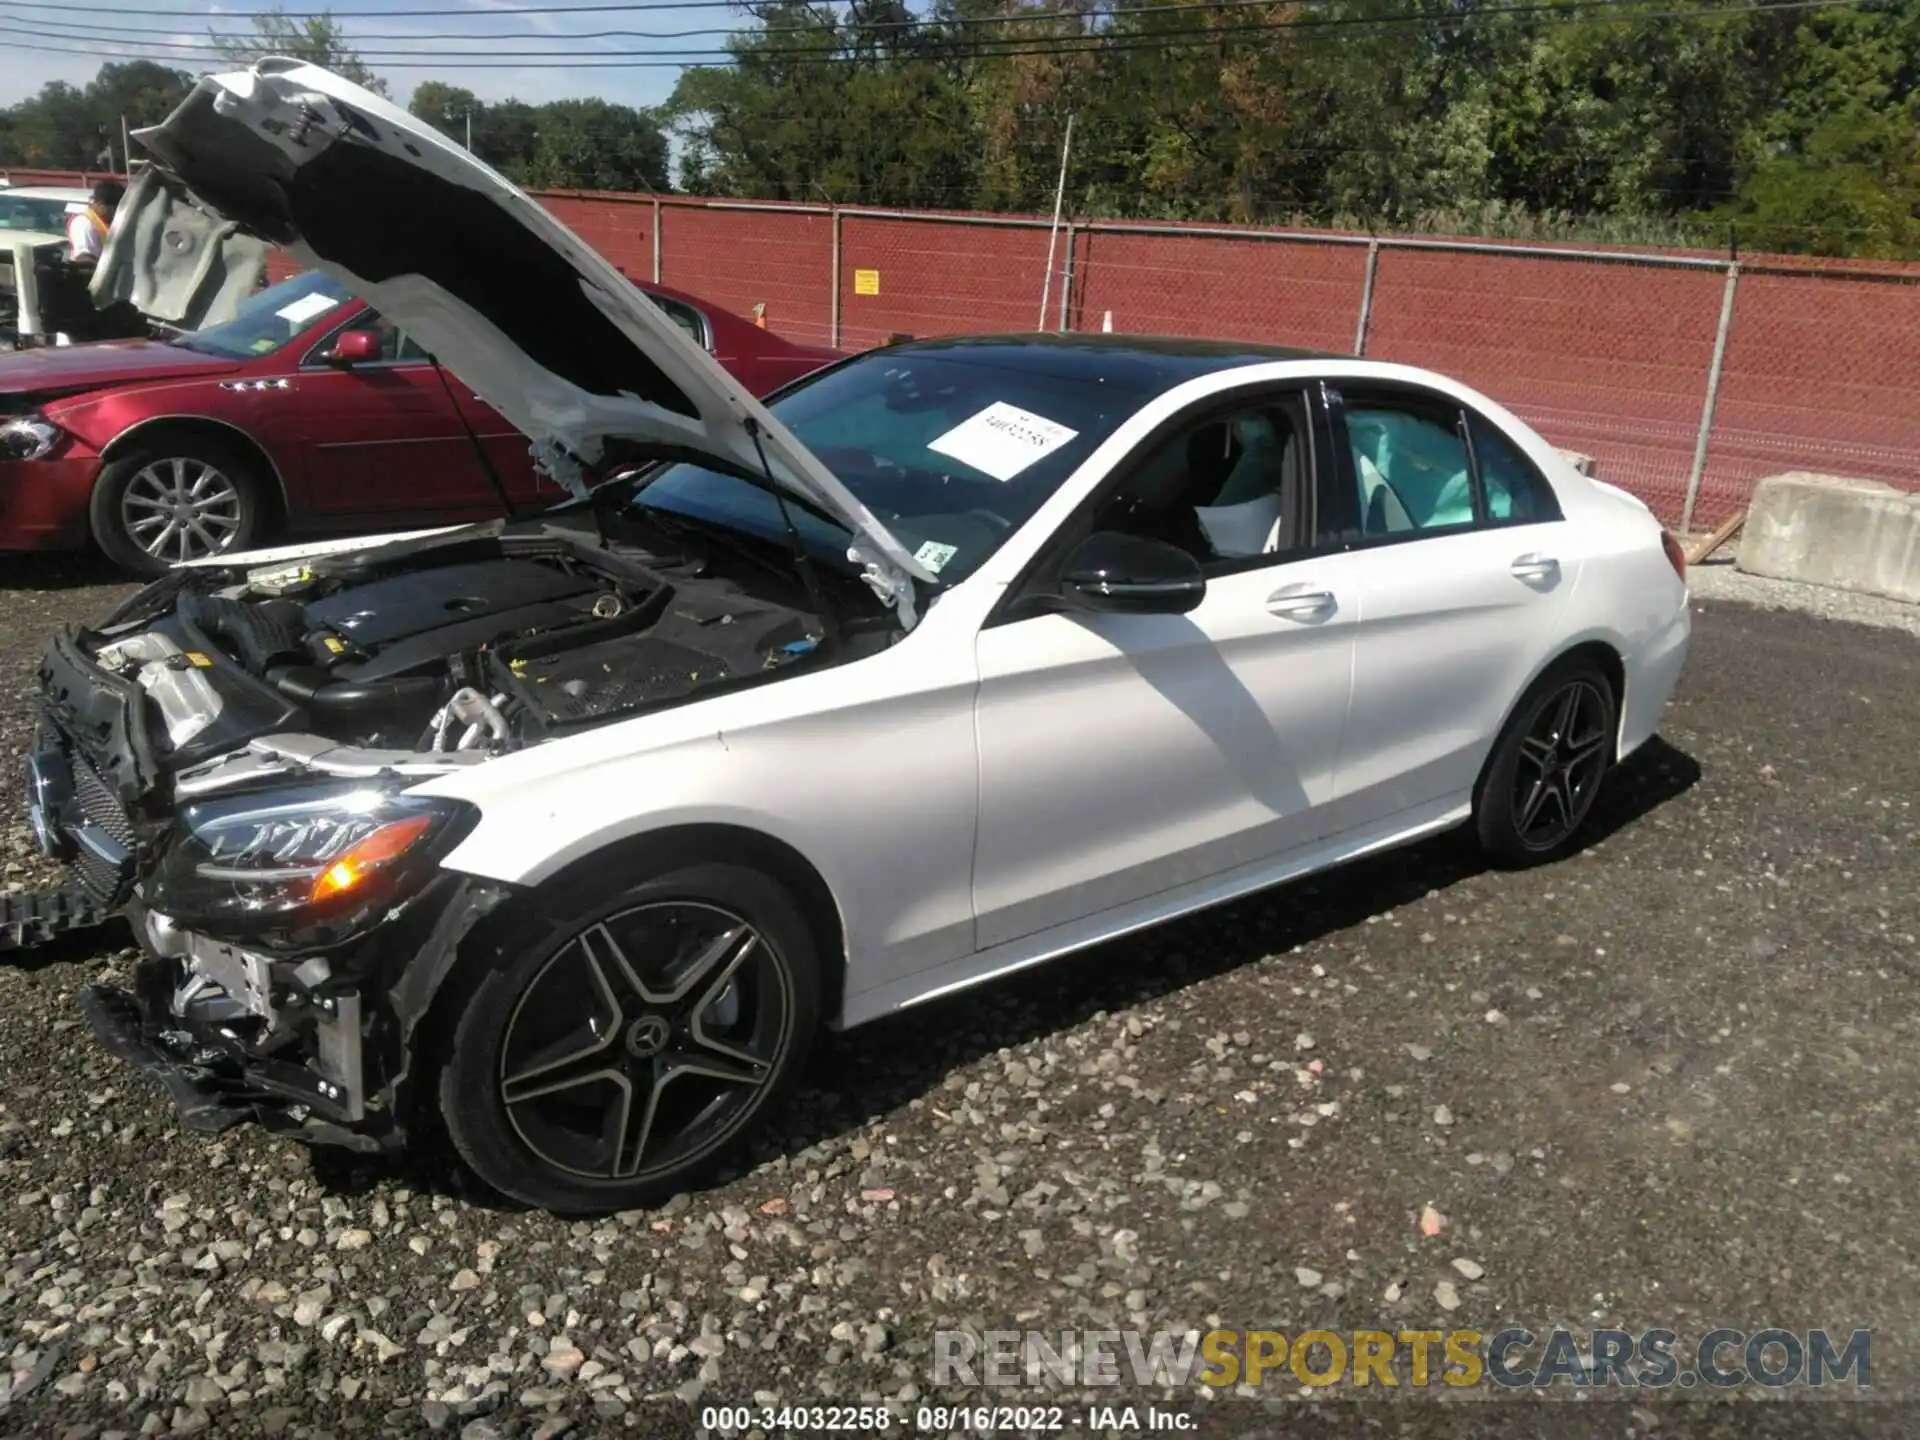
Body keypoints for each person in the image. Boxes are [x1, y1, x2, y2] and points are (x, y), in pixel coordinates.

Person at [65, 179, 124, 269]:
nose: (117, 213)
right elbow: (84, 257)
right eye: (115, 209)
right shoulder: (84, 223)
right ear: (102, 205)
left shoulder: (105, 222)